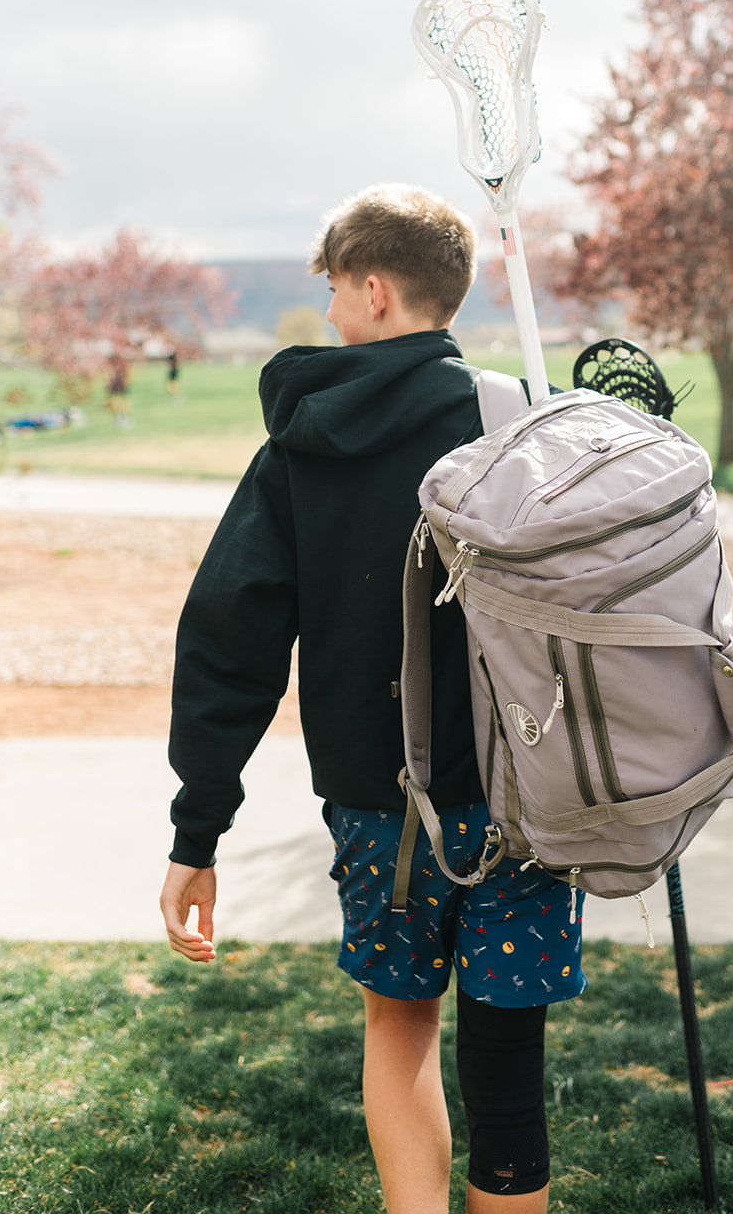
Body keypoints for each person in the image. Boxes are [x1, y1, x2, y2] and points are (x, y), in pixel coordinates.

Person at [159, 184, 586, 1213]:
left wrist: (197, 830)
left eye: (337, 291)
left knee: (400, 1027)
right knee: (508, 1061)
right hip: (530, 795)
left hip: (381, 807)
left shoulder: (304, 444)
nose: (332, 312)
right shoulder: (524, 419)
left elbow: (229, 643)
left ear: (377, 290)